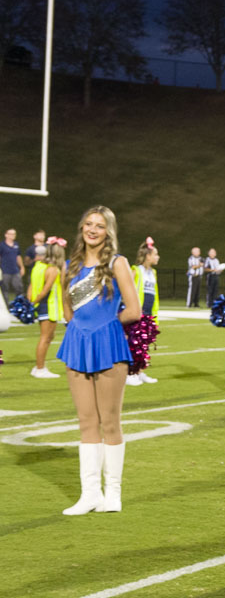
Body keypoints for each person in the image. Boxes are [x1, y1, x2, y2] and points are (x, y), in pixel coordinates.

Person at [57, 206, 142, 515]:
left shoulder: (118, 263)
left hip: (108, 344)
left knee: (110, 421)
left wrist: (104, 328)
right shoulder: (70, 265)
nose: (93, 229)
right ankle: (90, 494)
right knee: (86, 421)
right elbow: (68, 313)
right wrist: (82, 330)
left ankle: (113, 494)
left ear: (109, 231)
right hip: (77, 345)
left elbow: (133, 310)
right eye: (88, 224)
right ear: (82, 229)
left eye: (100, 226)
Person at [28, 237, 66, 378]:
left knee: (49, 336)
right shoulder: (53, 270)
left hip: (42, 306)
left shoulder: (38, 266)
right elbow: (45, 290)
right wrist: (33, 303)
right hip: (48, 307)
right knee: (45, 338)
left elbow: (31, 286)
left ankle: (39, 366)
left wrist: (30, 302)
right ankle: (40, 368)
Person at [128, 238, 161, 386]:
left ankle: (139, 371)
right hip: (137, 311)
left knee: (144, 344)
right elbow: (126, 289)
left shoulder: (153, 272)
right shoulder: (136, 270)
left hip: (148, 312)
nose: (157, 257)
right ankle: (130, 373)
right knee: (134, 343)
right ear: (148, 256)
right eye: (155, 254)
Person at [1, 228, 24, 305]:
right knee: (5, 289)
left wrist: (22, 267)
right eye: (10, 234)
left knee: (19, 288)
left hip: (15, 270)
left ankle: (19, 305)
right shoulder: (2, 245)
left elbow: (18, 256)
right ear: (6, 235)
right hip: (5, 271)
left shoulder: (16, 245)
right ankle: (6, 305)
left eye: (14, 234)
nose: (12, 236)